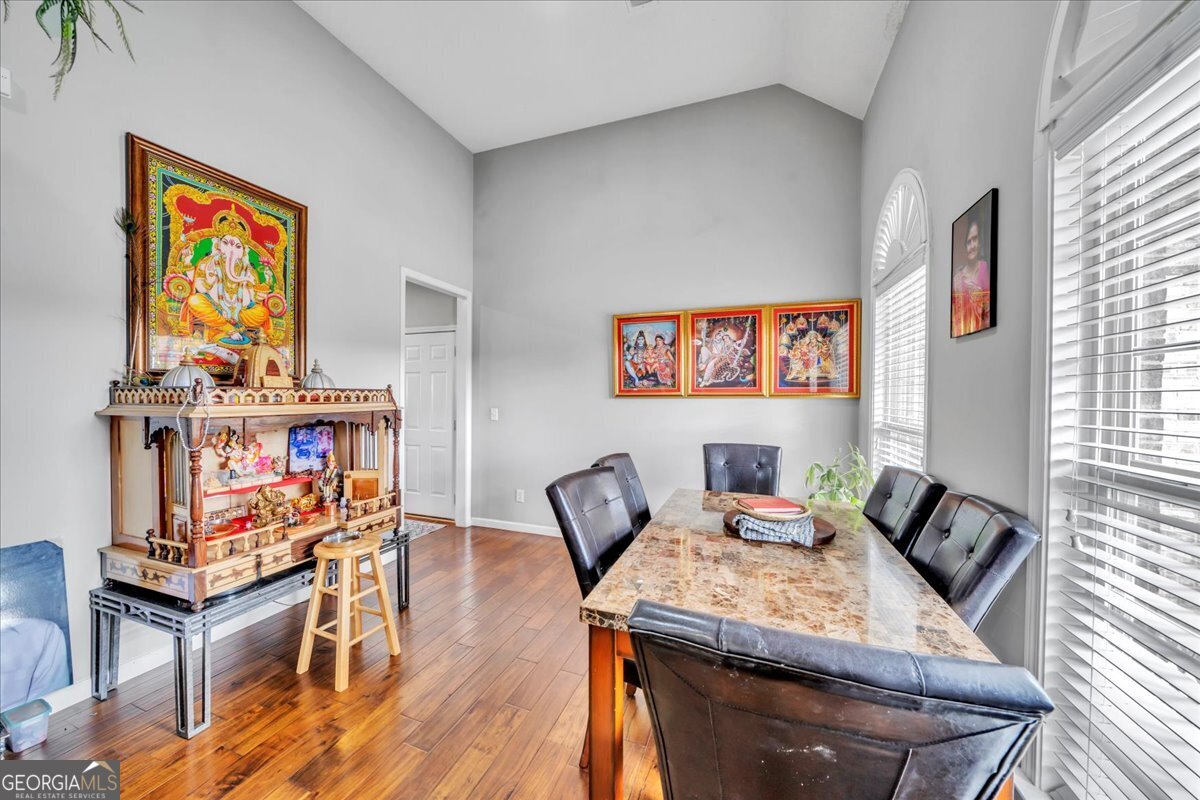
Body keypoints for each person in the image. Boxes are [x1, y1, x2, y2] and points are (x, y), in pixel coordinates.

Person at [952, 215, 991, 336]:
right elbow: (956, 321)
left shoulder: (986, 268)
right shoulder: (957, 279)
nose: (972, 245)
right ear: (965, 246)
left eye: (975, 239)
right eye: (968, 242)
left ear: (980, 242)